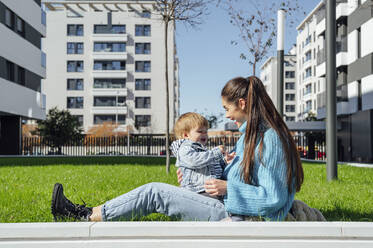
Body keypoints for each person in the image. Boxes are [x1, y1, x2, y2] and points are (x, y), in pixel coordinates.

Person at [51, 76, 303, 222]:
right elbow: (243, 176)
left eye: (228, 109)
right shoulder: (251, 136)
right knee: (157, 192)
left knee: (154, 192)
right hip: (225, 203)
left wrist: (228, 187)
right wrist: (201, 176)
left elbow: (274, 198)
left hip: (236, 214)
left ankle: (83, 214)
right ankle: (88, 212)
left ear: (242, 103)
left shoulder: (270, 139)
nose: (228, 116)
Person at [170, 112, 232, 195]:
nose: (204, 134)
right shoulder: (184, 149)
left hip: (208, 189)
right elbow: (194, 160)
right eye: (200, 131)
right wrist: (216, 153)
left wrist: (223, 161)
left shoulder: (202, 150)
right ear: (186, 135)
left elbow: (210, 165)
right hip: (196, 190)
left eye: (206, 131)